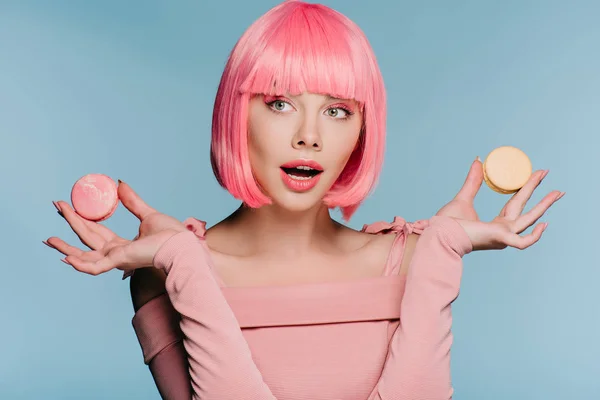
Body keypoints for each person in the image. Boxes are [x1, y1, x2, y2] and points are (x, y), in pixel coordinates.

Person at [44, 1, 564, 399]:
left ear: (364, 129)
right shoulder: (165, 271)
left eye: (337, 110)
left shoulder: (411, 259)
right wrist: (181, 259)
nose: (309, 136)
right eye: (279, 103)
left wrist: (442, 249)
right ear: (236, 114)